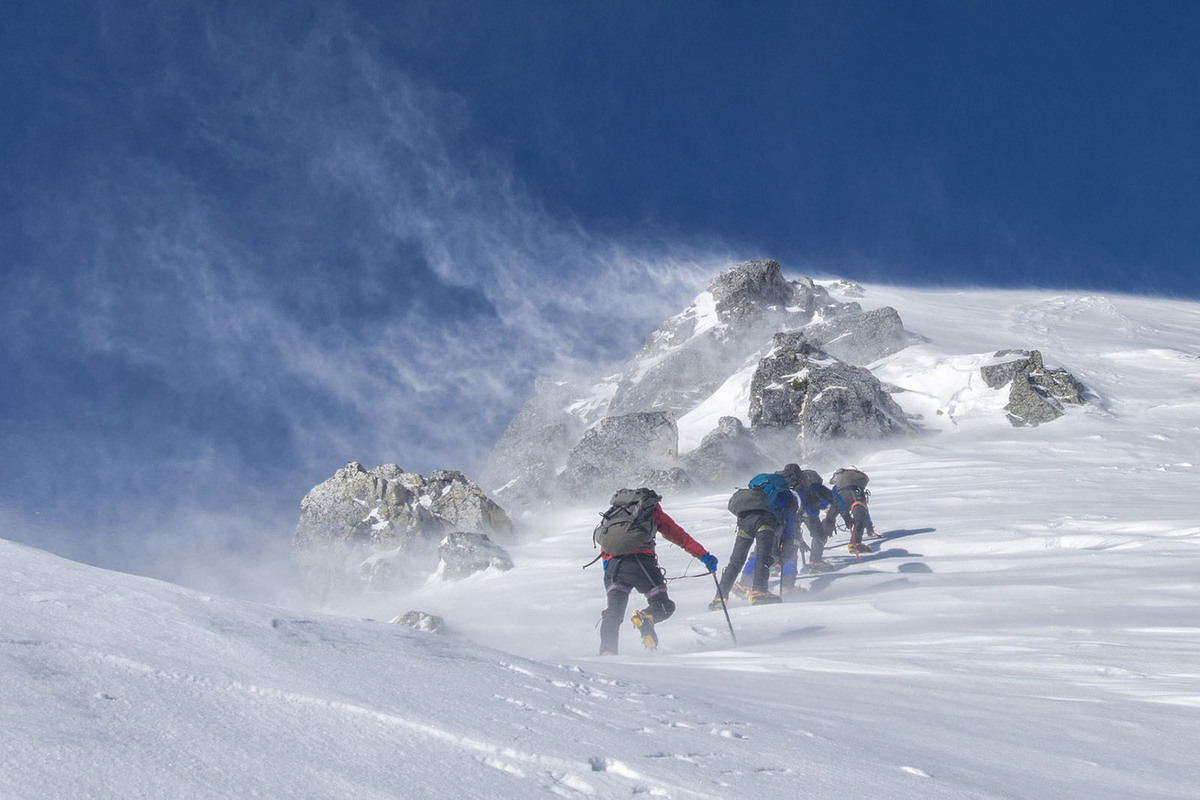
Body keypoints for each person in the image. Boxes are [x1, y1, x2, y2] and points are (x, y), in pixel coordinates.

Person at [594, 488, 718, 655]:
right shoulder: (649, 509)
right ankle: (647, 616)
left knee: (613, 613)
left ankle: (607, 654)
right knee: (663, 605)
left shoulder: (613, 514)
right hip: (641, 563)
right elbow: (679, 536)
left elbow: (606, 547)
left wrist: (607, 577)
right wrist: (704, 557)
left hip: (614, 567)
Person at [711, 468, 798, 608]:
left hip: (745, 520)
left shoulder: (761, 487)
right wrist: (786, 547)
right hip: (765, 522)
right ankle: (759, 592)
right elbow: (789, 524)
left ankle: (719, 597)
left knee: (735, 561)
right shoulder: (789, 497)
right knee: (763, 557)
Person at [822, 467, 876, 555]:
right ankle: (855, 544)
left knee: (829, 518)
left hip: (840, 495)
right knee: (859, 516)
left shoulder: (838, 485)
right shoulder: (858, 489)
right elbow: (864, 512)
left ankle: (820, 541)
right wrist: (869, 526)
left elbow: (834, 498)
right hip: (855, 495)